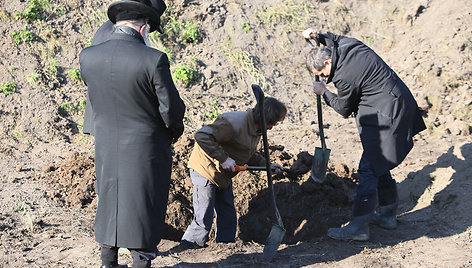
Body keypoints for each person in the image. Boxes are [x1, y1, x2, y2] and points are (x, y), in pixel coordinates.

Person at [79, 0, 186, 267]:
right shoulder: (153, 59)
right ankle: (140, 262)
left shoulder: (88, 56)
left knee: (109, 198)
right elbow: (171, 108)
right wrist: (173, 132)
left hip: (105, 143)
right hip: (145, 147)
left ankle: (108, 262)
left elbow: (97, 98)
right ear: (143, 29)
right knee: (143, 205)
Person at [302, 29, 426, 241]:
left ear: (327, 63)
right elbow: (335, 38)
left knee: (368, 169)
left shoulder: (344, 76)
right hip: (396, 100)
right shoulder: (349, 46)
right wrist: (317, 35)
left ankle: (358, 226)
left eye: (322, 74)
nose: (324, 78)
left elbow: (343, 109)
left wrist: (324, 92)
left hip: (388, 114)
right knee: (378, 163)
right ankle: (387, 215)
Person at [181, 97, 287, 248]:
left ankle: (225, 249)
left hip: (222, 175)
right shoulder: (233, 123)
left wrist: (267, 165)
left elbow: (247, 153)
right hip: (205, 169)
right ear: (265, 120)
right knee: (204, 217)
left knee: (228, 216)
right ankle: (188, 250)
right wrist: (224, 159)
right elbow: (202, 136)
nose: (274, 126)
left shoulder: (256, 130)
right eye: (273, 123)